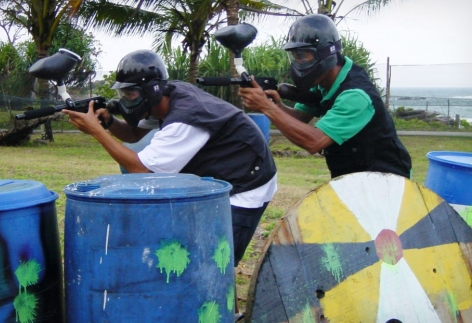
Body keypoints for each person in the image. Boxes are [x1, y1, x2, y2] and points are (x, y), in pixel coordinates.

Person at [63, 49, 277, 321]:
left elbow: (141, 169)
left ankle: (225, 314)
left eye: (131, 94)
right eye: (125, 94)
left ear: (152, 90)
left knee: (215, 262)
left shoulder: (186, 118)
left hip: (246, 185)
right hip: (221, 180)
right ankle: (226, 313)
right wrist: (108, 123)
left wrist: (96, 132)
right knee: (204, 257)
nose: (127, 100)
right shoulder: (169, 96)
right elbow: (133, 132)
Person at [238, 14, 412, 179]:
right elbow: (300, 118)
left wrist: (266, 108)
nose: (299, 62)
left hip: (388, 179)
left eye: (304, 55)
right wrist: (276, 106)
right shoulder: (323, 83)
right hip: (352, 177)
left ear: (326, 53)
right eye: (295, 56)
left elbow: (314, 141)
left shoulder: (355, 96)